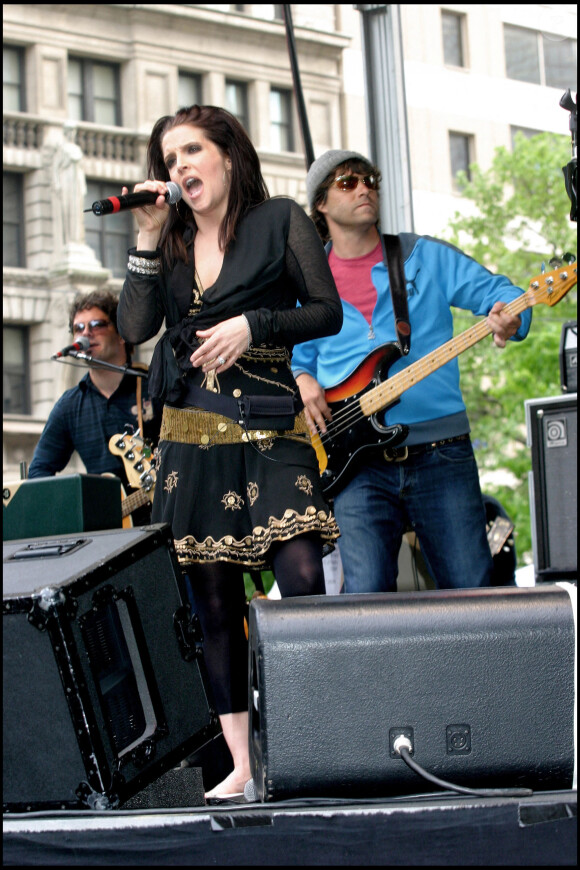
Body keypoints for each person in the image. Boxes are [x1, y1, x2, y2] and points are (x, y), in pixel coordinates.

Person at [116, 105, 342, 800]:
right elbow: (135, 326)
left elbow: (326, 310)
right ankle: (242, 765)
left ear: (227, 154)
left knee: (302, 572)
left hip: (270, 429)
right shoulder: (173, 237)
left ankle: (312, 739)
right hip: (190, 435)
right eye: (169, 158)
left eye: (192, 151)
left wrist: (255, 323)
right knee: (212, 605)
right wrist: (148, 241)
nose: (180, 166)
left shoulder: (278, 221)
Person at [291, 149, 532, 594]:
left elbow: (502, 293)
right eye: (348, 183)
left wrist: (511, 316)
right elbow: (295, 355)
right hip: (355, 466)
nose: (364, 188)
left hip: (442, 453)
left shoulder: (424, 255)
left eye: (370, 180)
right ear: (320, 204)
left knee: (472, 595)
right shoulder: (309, 282)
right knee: (366, 603)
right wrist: (302, 378)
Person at [28, 290, 160, 525]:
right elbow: (39, 472)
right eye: (78, 329)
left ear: (121, 334)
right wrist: (73, 514)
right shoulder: (70, 405)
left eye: (97, 325)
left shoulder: (155, 388)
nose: (86, 334)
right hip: (105, 535)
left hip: (160, 522)